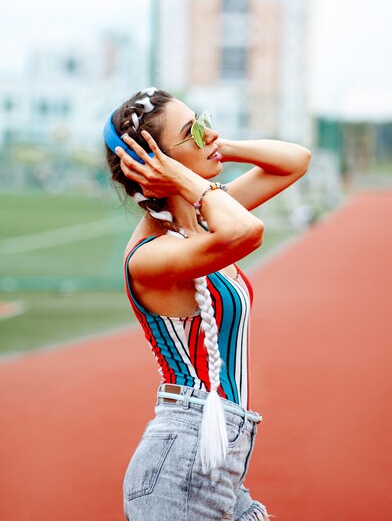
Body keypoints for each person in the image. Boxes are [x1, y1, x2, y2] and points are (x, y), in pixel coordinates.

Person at [104, 87, 311, 521]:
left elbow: (296, 160)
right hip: (180, 462)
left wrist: (220, 147)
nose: (208, 134)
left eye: (203, 122)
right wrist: (185, 179)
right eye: (192, 133)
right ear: (152, 163)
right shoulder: (150, 255)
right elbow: (246, 233)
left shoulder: (200, 221)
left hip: (214, 456)